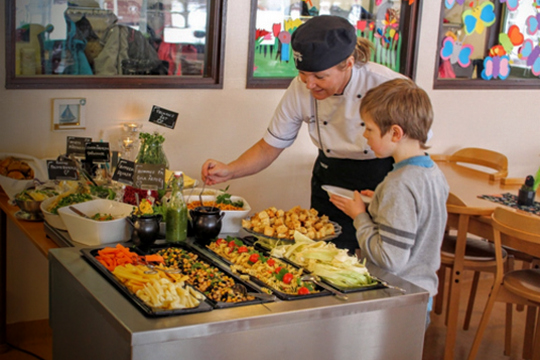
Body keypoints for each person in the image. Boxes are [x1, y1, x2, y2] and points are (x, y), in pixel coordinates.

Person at [201, 15, 405, 252]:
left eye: (320, 77)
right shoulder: (300, 89)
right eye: (303, 74)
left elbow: (413, 151)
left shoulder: (387, 86)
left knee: (380, 260)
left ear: (348, 64)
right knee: (325, 259)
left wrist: (390, 190)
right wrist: (230, 170)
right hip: (330, 181)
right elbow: (270, 146)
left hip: (380, 180)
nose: (309, 85)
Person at [329, 78, 449, 327]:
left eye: (369, 129)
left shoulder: (399, 184)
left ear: (395, 133)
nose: (365, 135)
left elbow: (389, 258)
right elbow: (416, 220)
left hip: (395, 298)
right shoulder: (432, 172)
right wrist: (381, 203)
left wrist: (359, 216)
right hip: (420, 295)